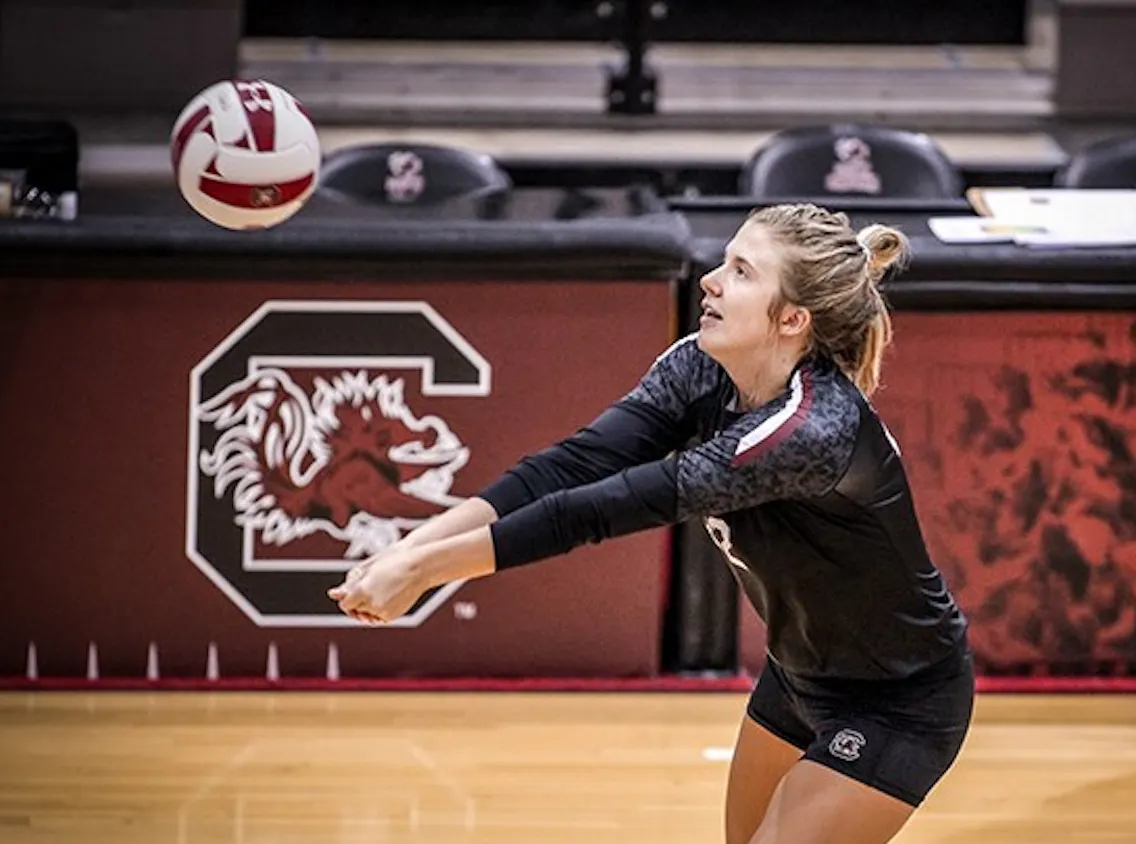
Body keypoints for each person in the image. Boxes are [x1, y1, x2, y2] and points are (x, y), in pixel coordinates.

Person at [328, 202, 976, 843]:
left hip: (899, 699)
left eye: (742, 273)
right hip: (797, 675)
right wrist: (408, 550)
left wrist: (422, 571)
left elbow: (598, 509)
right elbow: (571, 467)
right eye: (724, 262)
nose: (711, 281)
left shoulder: (807, 430)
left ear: (792, 319)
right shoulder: (700, 365)